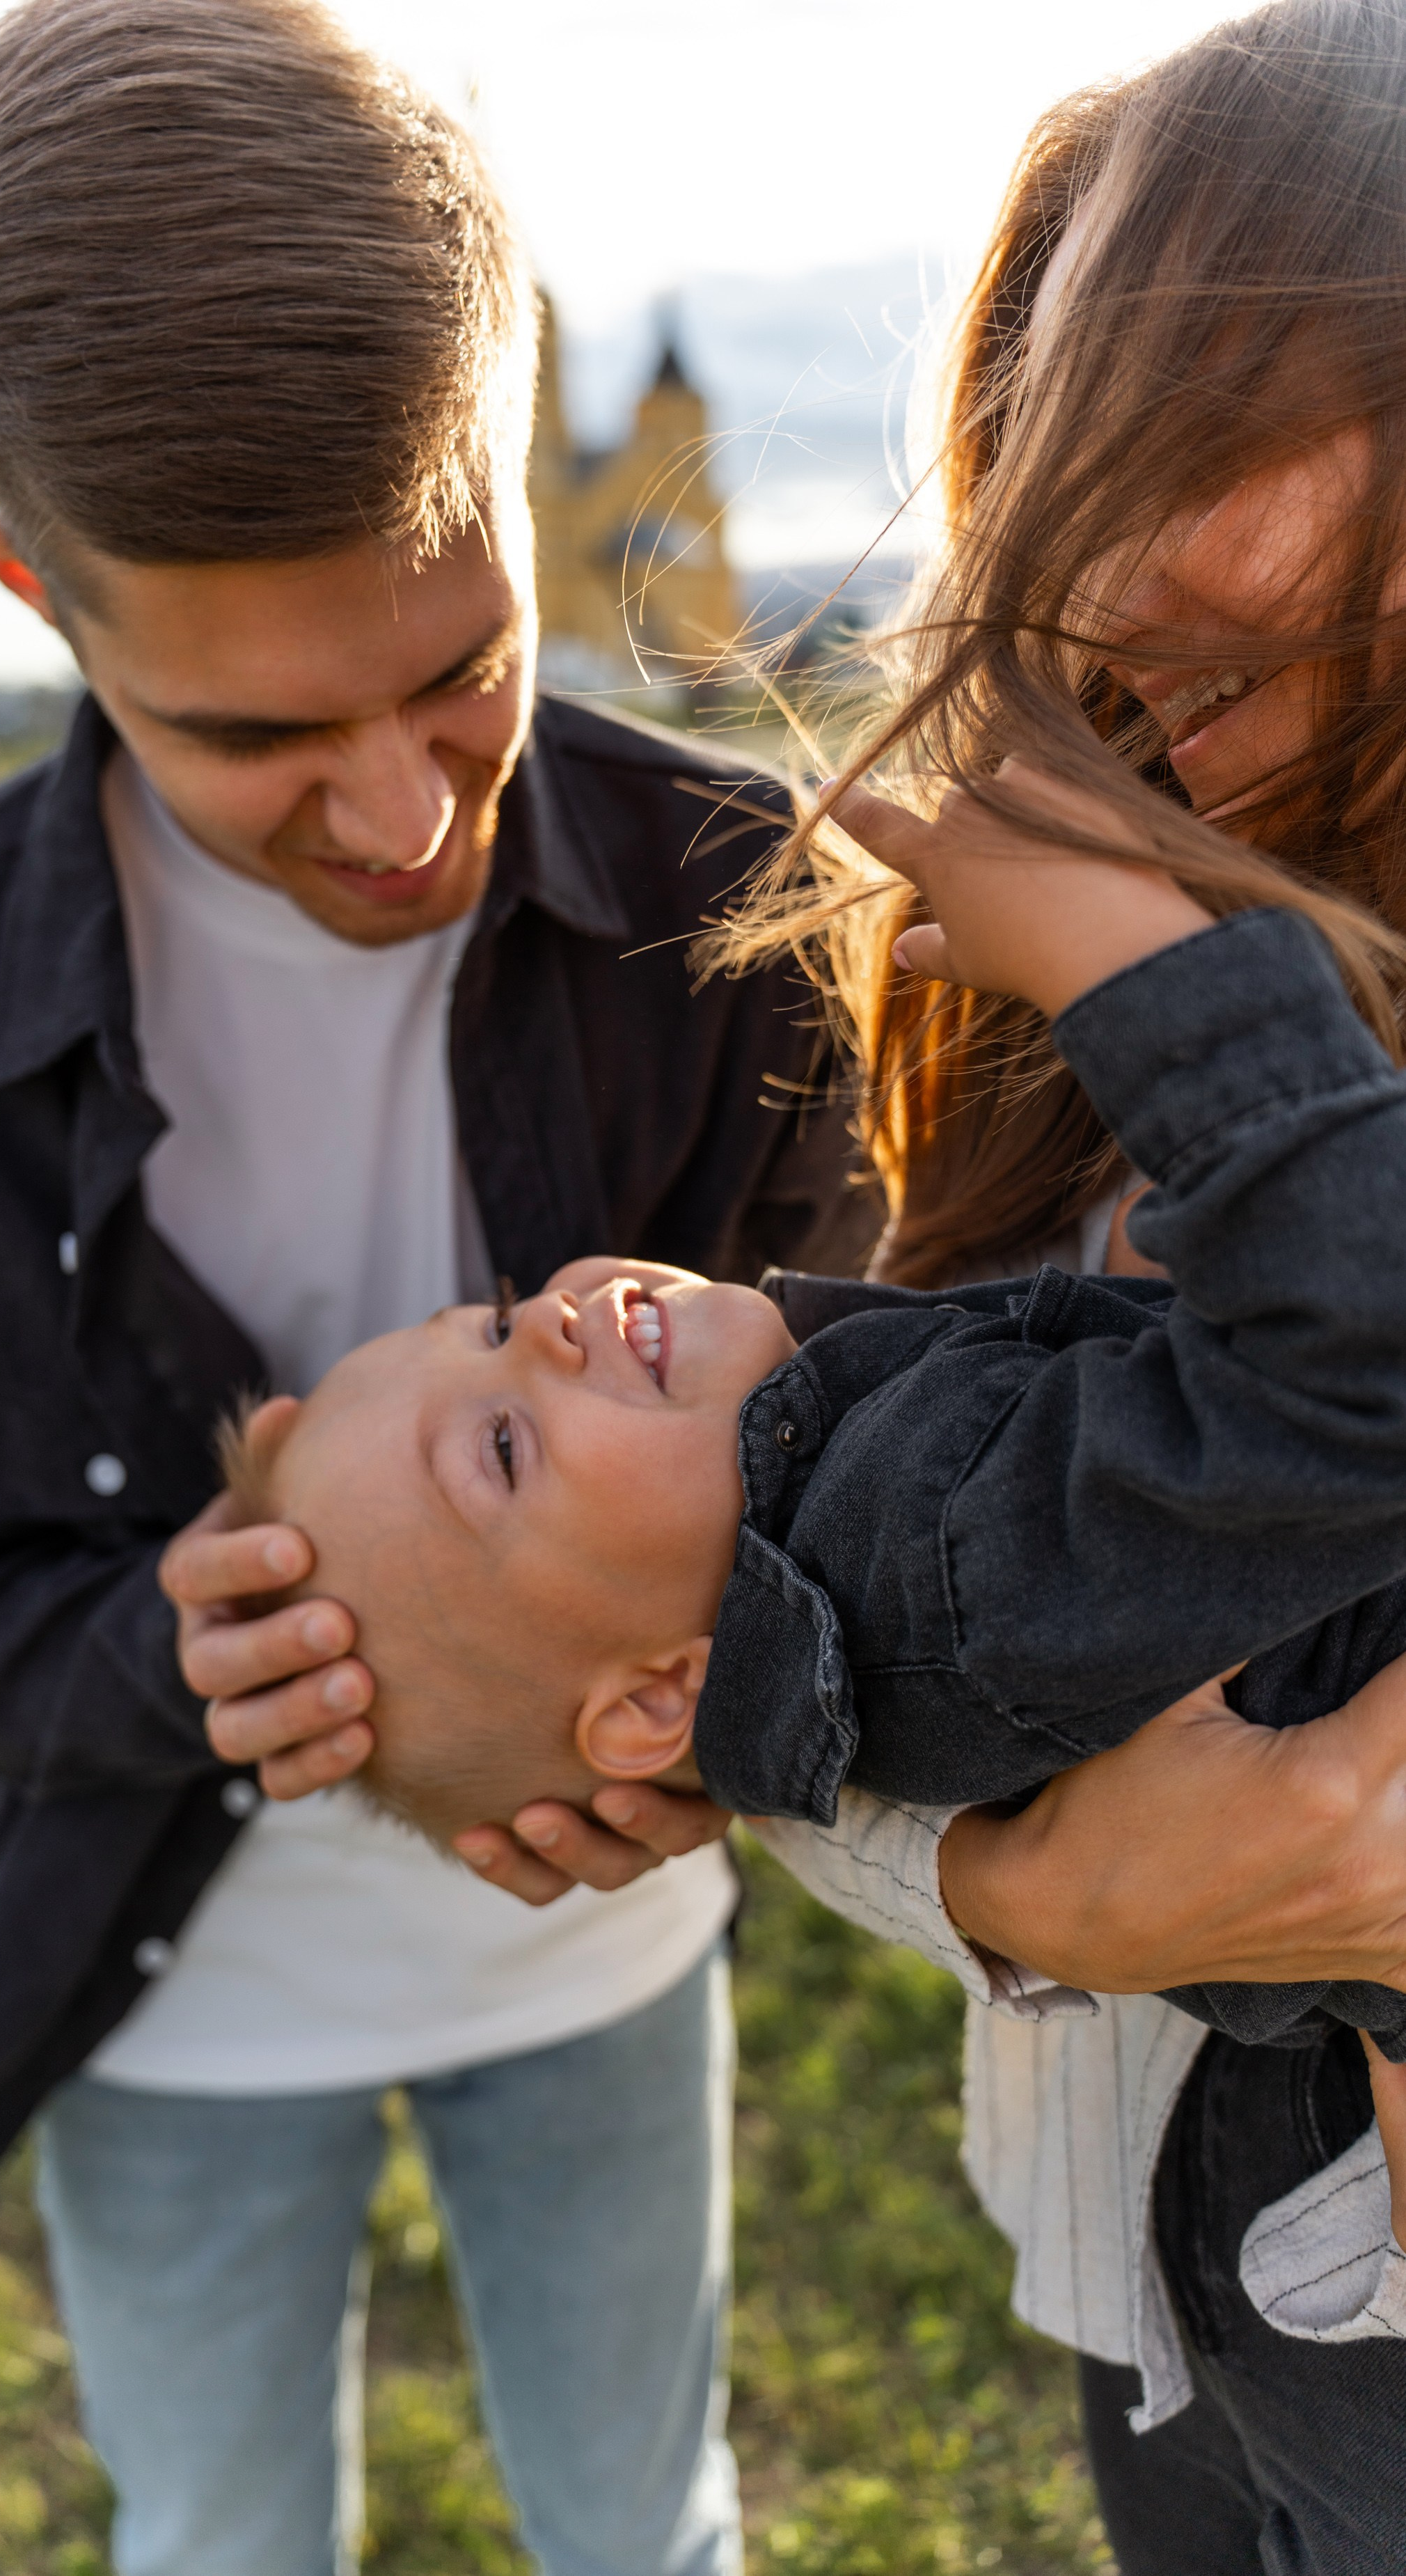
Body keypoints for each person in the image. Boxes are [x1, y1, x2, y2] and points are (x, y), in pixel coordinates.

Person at [207, 3, 1406, 2565]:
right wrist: (1026, 1890)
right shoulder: (1062, 929)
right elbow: (903, 1649)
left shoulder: (1122, 941)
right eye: (1074, 470)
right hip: (1156, 2283)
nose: (1111, 629)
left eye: (1213, 466)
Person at [0, 6, 862, 2573]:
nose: (404, 808)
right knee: (214, 2536)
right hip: (162, 2005)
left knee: (645, 2522)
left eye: (463, 667)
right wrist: (168, 1658)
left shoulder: (738, 900)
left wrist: (748, 1727)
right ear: (24, 578)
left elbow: (875, 1444)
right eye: (251, 732)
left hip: (603, 1971)